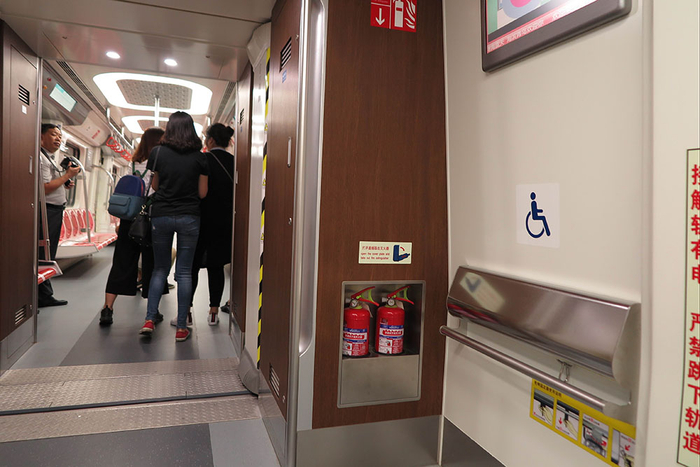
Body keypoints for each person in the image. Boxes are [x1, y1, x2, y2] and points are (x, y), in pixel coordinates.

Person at [140, 112, 208, 342]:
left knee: (159, 269)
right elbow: (202, 193)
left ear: (169, 129)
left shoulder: (157, 153)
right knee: (184, 272)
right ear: (191, 130)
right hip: (189, 216)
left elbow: (155, 186)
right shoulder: (200, 158)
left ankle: (149, 319)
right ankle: (181, 327)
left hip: (162, 215)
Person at [99, 127, 166, 326]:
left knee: (121, 263)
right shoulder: (160, 164)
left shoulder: (134, 163)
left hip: (130, 220)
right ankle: (153, 311)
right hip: (150, 219)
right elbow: (157, 189)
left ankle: (107, 308)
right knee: (152, 265)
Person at [183, 124, 234, 326]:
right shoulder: (235, 162)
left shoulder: (202, 159)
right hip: (225, 221)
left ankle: (186, 312)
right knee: (216, 266)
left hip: (200, 218)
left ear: (211, 140)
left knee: (192, 265)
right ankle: (214, 312)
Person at [38, 123, 80, 308]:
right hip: (46, 210)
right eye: (54, 134)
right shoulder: (41, 158)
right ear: (41, 136)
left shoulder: (49, 157)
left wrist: (64, 182)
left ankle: (44, 294)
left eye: (60, 136)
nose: (58, 139)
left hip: (53, 210)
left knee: (48, 252)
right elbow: (44, 188)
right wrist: (66, 176)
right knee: (44, 254)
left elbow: (52, 183)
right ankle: (42, 296)